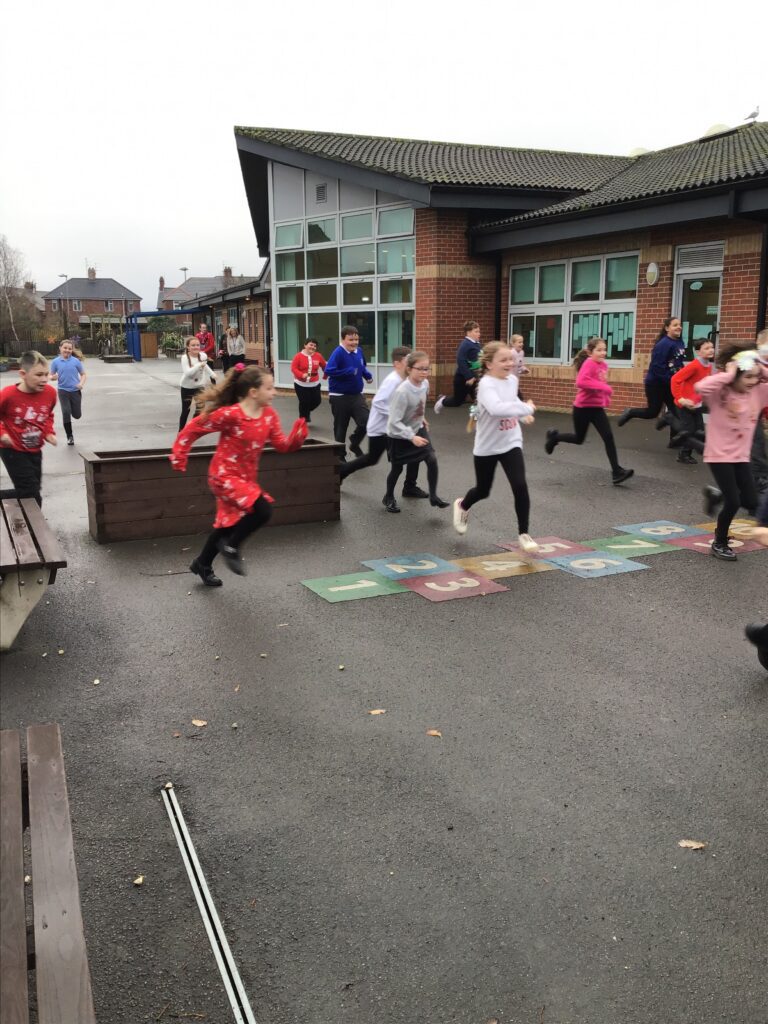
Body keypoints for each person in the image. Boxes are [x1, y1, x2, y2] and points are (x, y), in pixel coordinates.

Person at [170, 364, 307, 586]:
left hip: (245, 479)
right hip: (223, 476)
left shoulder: (269, 416)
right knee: (262, 510)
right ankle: (231, 547)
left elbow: (281, 445)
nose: (274, 392)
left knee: (229, 525)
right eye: (269, 388)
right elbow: (195, 427)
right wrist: (179, 454)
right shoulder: (232, 414)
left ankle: (202, 563)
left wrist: (296, 438)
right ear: (253, 392)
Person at [451, 341, 539, 552]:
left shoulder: (512, 380)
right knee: (483, 490)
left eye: (511, 359)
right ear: (489, 364)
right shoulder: (486, 385)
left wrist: (522, 416)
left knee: (520, 485)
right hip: (487, 447)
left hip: (511, 442)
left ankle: (524, 534)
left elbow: (511, 403)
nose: (510, 363)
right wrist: (526, 408)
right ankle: (463, 505)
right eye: (504, 360)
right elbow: (497, 408)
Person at [696, 346, 768, 561]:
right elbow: (701, 386)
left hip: (741, 456)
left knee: (751, 501)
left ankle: (717, 495)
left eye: (756, 377)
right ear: (736, 374)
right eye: (747, 376)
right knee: (734, 502)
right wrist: (729, 374)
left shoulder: (757, 392)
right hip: (719, 456)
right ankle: (719, 542)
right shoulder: (720, 392)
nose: (752, 381)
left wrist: (760, 367)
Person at [544, 338, 634, 485]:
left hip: (597, 408)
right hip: (582, 408)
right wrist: (604, 388)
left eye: (604, 349)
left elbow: (601, 385)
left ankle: (616, 472)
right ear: (590, 352)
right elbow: (581, 382)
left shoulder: (604, 365)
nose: (603, 353)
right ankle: (555, 438)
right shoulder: (589, 363)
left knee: (608, 437)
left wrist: (605, 399)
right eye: (599, 350)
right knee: (578, 439)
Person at [340, 346, 425, 496]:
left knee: (415, 452)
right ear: (397, 363)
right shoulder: (392, 381)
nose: (411, 364)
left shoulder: (407, 379)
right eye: (408, 360)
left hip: (394, 428)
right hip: (380, 429)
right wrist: (397, 416)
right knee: (372, 459)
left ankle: (410, 487)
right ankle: (343, 470)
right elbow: (378, 402)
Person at [383, 351, 448, 513]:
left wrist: (422, 417)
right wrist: (411, 437)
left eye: (427, 369)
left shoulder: (424, 384)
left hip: (417, 428)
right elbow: (393, 422)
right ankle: (388, 496)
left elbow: (418, 404)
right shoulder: (402, 392)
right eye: (420, 369)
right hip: (398, 435)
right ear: (409, 369)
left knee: (431, 458)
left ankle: (431, 496)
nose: (424, 372)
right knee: (397, 468)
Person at [0, 350, 57, 506]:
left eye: (46, 374)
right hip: (12, 450)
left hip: (35, 449)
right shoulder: (8, 395)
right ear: (23, 374)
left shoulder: (50, 393)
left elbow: (47, 415)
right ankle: (35, 522)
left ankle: (27, 519)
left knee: (31, 490)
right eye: (38, 375)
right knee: (31, 492)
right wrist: (2, 433)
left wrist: (48, 432)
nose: (44, 379)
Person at [617, 316, 686, 439]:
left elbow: (678, 362)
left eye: (680, 325)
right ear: (667, 328)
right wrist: (672, 380)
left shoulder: (680, 342)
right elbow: (657, 367)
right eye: (675, 325)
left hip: (670, 383)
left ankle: (675, 440)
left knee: (676, 412)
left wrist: (682, 375)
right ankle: (630, 412)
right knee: (652, 412)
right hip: (656, 384)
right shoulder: (663, 344)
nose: (679, 327)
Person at [324, 325, 372, 460]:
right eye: (351, 340)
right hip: (339, 396)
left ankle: (354, 443)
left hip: (356, 395)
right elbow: (329, 370)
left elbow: (361, 367)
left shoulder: (359, 351)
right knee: (341, 428)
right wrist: (348, 371)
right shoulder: (338, 352)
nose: (354, 343)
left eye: (356, 340)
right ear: (343, 339)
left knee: (367, 422)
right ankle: (340, 457)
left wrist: (367, 375)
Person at [667, 337, 715, 462]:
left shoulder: (708, 365)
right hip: (685, 404)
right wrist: (680, 399)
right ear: (698, 352)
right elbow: (675, 379)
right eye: (707, 348)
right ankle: (683, 455)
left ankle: (698, 448)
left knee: (699, 430)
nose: (711, 350)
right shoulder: (694, 366)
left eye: (712, 347)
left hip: (696, 403)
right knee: (689, 431)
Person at [434, 320, 482, 413]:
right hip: (463, 378)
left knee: (479, 400)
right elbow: (461, 360)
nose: (479, 334)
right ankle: (442, 400)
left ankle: (476, 418)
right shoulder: (465, 344)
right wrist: (469, 377)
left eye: (479, 331)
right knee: (458, 401)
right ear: (468, 332)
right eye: (476, 331)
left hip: (474, 378)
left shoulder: (476, 344)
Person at [48, 339, 86, 446]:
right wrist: (53, 377)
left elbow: (83, 374)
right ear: (60, 348)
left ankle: (74, 411)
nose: (67, 350)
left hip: (75, 391)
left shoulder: (75, 361)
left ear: (72, 350)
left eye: (70, 348)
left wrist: (81, 384)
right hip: (63, 391)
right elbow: (51, 375)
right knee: (66, 412)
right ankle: (70, 436)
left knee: (77, 415)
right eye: (65, 348)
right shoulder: (55, 362)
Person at [179, 335, 216, 433]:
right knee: (186, 410)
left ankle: (191, 427)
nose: (196, 347)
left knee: (200, 409)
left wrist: (212, 374)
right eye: (193, 345)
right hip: (187, 386)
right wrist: (199, 365)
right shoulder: (185, 358)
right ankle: (181, 431)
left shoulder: (203, 356)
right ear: (188, 347)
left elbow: (205, 366)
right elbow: (188, 373)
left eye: (197, 345)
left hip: (199, 385)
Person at [290, 338, 327, 422]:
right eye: (311, 345)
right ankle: (303, 419)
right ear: (305, 345)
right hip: (300, 384)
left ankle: (305, 412)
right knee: (304, 402)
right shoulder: (298, 356)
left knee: (317, 401)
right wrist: (301, 374)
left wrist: (326, 375)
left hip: (315, 384)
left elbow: (324, 366)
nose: (313, 347)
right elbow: (293, 368)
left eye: (315, 346)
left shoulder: (318, 356)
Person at [509, 333, 530, 400]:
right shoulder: (510, 353)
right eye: (519, 342)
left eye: (522, 342)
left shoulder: (522, 353)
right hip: (509, 379)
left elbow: (520, 366)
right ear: (513, 344)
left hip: (516, 379)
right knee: (519, 398)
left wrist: (524, 370)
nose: (522, 344)